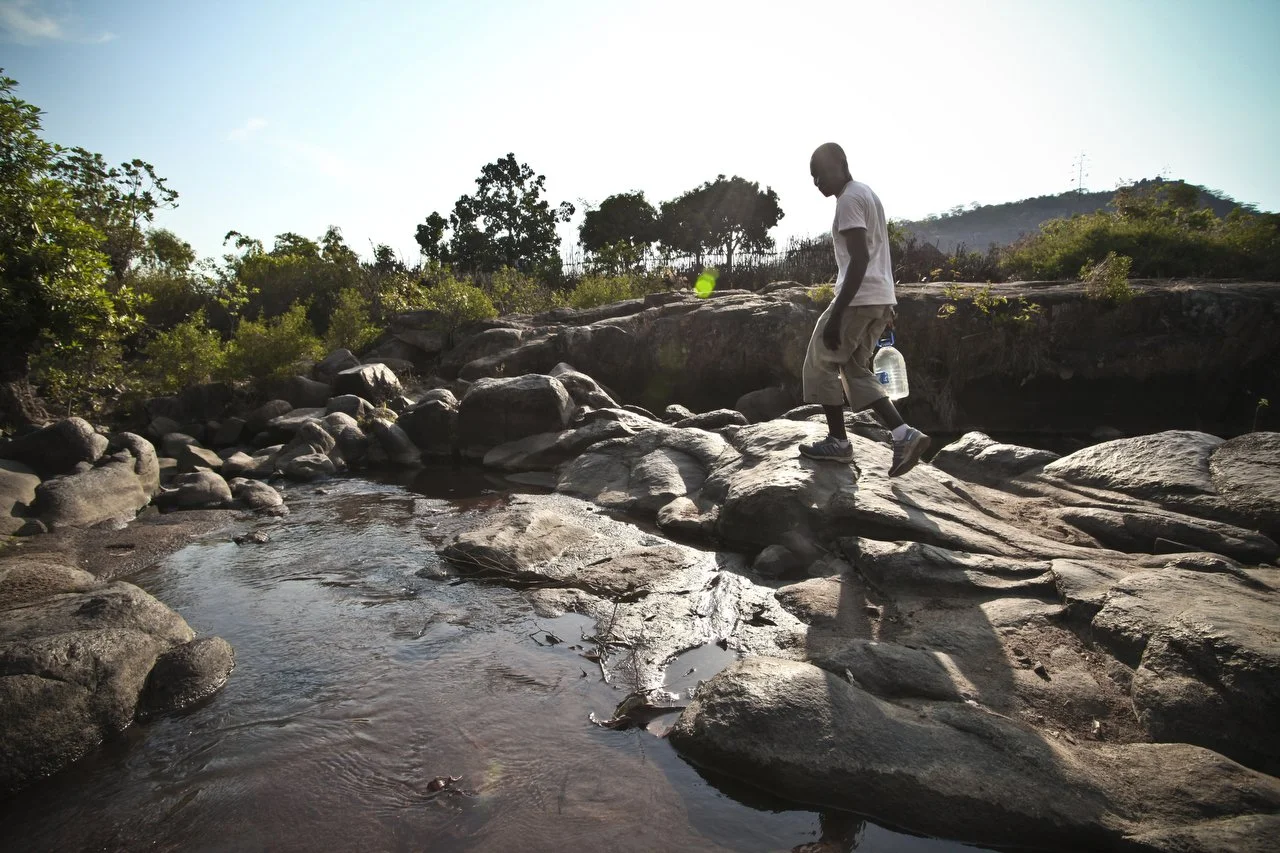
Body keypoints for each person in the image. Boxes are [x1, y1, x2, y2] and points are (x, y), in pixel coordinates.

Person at [798, 142, 930, 476]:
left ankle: (838, 442)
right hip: (877, 298)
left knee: (819, 361)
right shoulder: (866, 193)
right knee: (855, 370)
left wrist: (838, 314)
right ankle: (903, 434)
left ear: (841, 165)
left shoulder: (849, 200)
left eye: (821, 173)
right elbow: (877, 252)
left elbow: (860, 259)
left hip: (857, 299)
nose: (817, 182)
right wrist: (885, 303)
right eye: (812, 177)